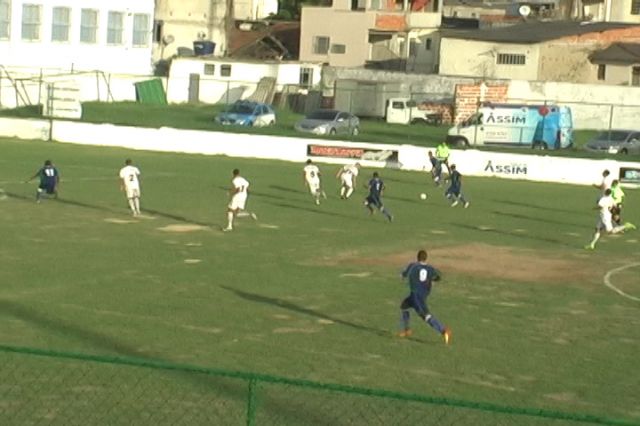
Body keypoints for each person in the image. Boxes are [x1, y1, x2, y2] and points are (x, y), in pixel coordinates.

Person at [398, 249, 451, 345]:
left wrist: (402, 275)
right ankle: (407, 330)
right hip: (421, 295)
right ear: (426, 258)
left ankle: (443, 330)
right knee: (404, 306)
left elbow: (404, 274)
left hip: (416, 296)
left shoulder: (413, 265)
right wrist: (432, 280)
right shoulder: (430, 268)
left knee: (425, 316)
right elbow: (439, 276)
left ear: (417, 257)